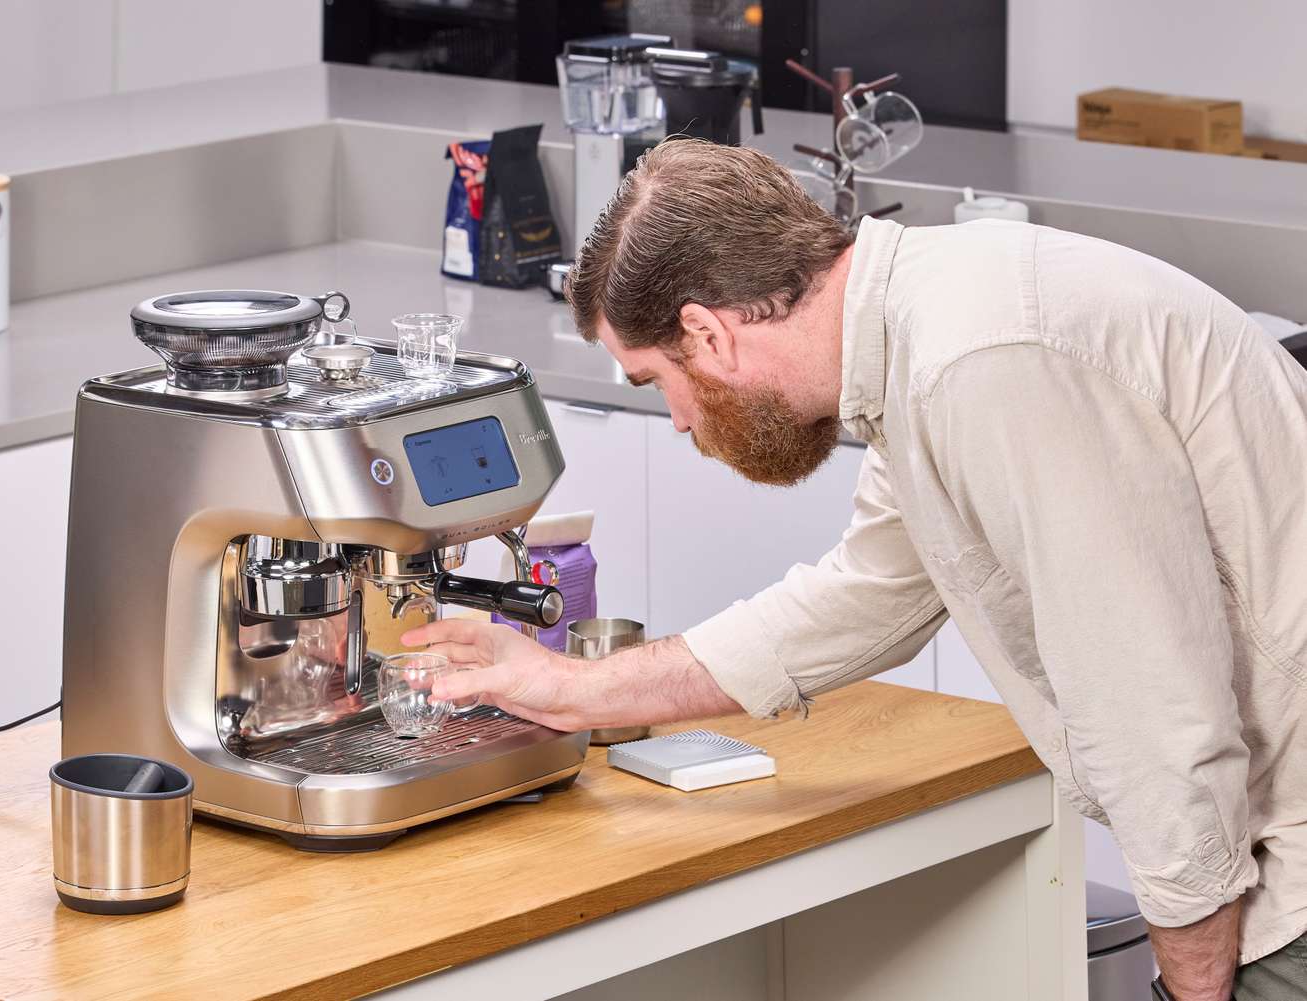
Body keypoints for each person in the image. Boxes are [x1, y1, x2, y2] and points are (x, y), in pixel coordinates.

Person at [403, 138, 1307, 1000]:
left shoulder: (975, 365)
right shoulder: (923, 339)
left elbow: (1155, 727)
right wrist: (572, 689)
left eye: (654, 382)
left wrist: (1191, 985)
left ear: (707, 335)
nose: (677, 420)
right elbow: (861, 597)